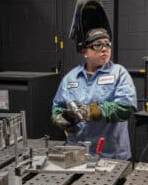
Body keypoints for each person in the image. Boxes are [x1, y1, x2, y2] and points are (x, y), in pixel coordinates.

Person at [52, 28, 137, 160]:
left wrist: (91, 111)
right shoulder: (71, 78)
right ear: (85, 51)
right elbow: (57, 107)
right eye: (98, 45)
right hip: (77, 154)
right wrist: (61, 118)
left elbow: (126, 108)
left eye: (107, 44)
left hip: (110, 155)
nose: (105, 49)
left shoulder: (119, 73)